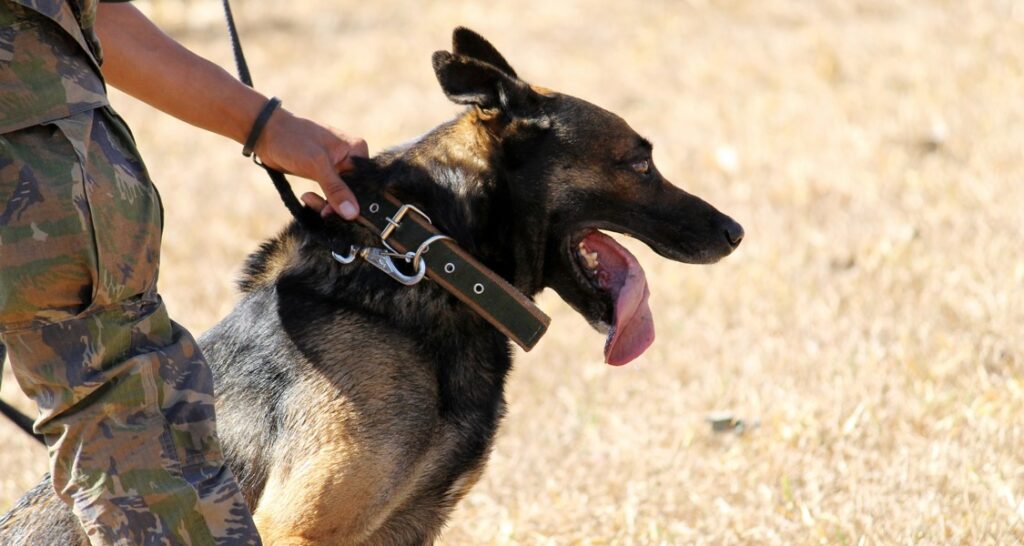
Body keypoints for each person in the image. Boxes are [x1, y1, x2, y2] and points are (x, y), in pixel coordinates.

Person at [0, 0, 367, 543]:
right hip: (38, 170)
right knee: (140, 446)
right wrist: (265, 126)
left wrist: (266, 125)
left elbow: (99, 16)